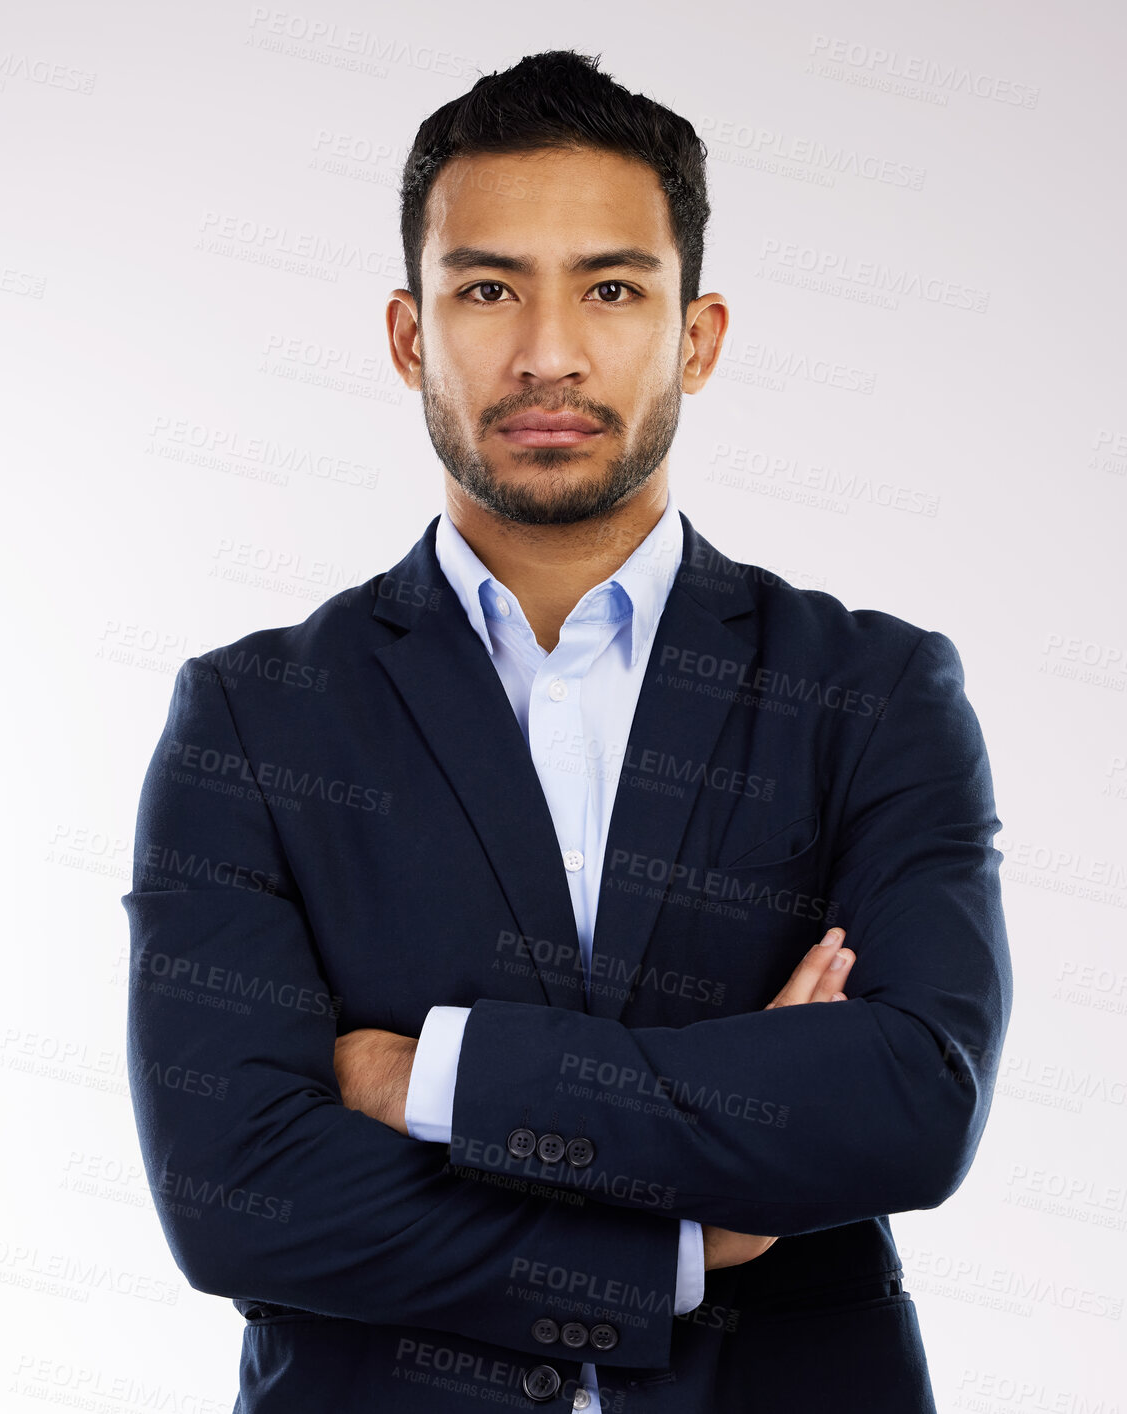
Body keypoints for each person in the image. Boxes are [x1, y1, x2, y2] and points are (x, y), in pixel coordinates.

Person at [122, 49, 1011, 1414]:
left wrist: (437, 1078)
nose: (548, 350)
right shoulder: (252, 714)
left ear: (695, 336)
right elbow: (236, 1190)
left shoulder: (872, 689)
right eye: (487, 289)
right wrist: (676, 1242)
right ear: (411, 335)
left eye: (610, 287)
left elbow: (908, 1098)